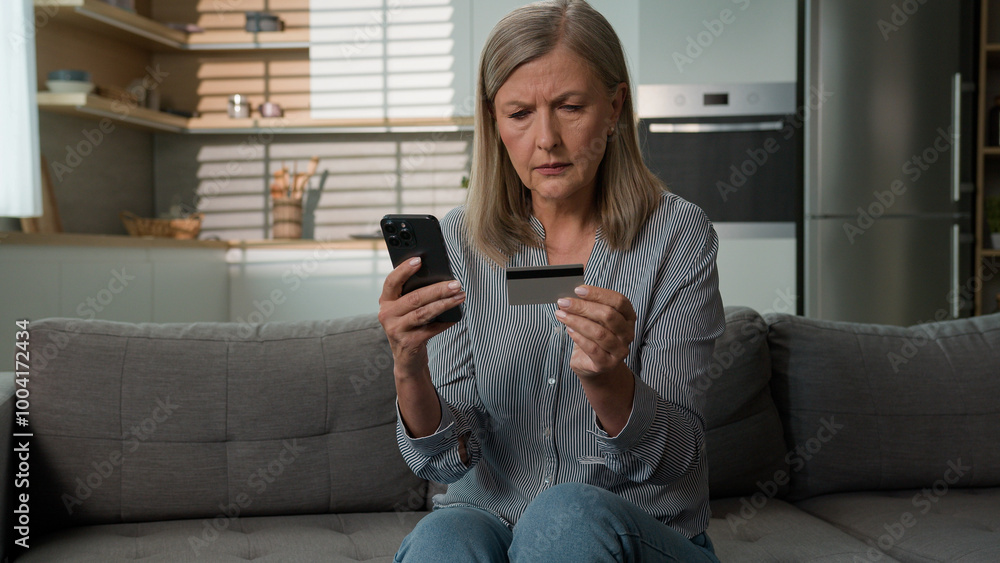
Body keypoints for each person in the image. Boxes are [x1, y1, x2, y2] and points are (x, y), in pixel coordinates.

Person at [378, 1, 725, 561]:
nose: (547, 139)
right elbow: (446, 462)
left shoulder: (676, 236)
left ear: (615, 108)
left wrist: (610, 378)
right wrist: (408, 364)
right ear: (494, 121)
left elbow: (679, 458)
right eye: (519, 113)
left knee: (564, 516)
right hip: (494, 516)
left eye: (569, 107)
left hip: (635, 529)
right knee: (443, 538)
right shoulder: (462, 244)